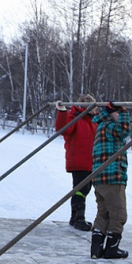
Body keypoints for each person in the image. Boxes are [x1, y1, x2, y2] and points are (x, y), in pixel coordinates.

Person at [89, 102, 132, 260]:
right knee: (118, 214)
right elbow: (125, 130)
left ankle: (96, 248)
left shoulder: (101, 126)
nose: (119, 117)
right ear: (111, 114)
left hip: (100, 179)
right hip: (112, 178)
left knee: (103, 213)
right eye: (118, 113)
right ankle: (112, 249)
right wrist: (125, 112)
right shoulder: (110, 127)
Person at [54, 94, 99, 231]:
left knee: (84, 189)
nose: (96, 110)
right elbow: (63, 128)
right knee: (80, 189)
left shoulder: (94, 121)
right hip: (79, 161)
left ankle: (75, 217)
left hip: (91, 161)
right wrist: (62, 111)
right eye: (93, 107)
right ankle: (79, 218)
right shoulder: (76, 118)